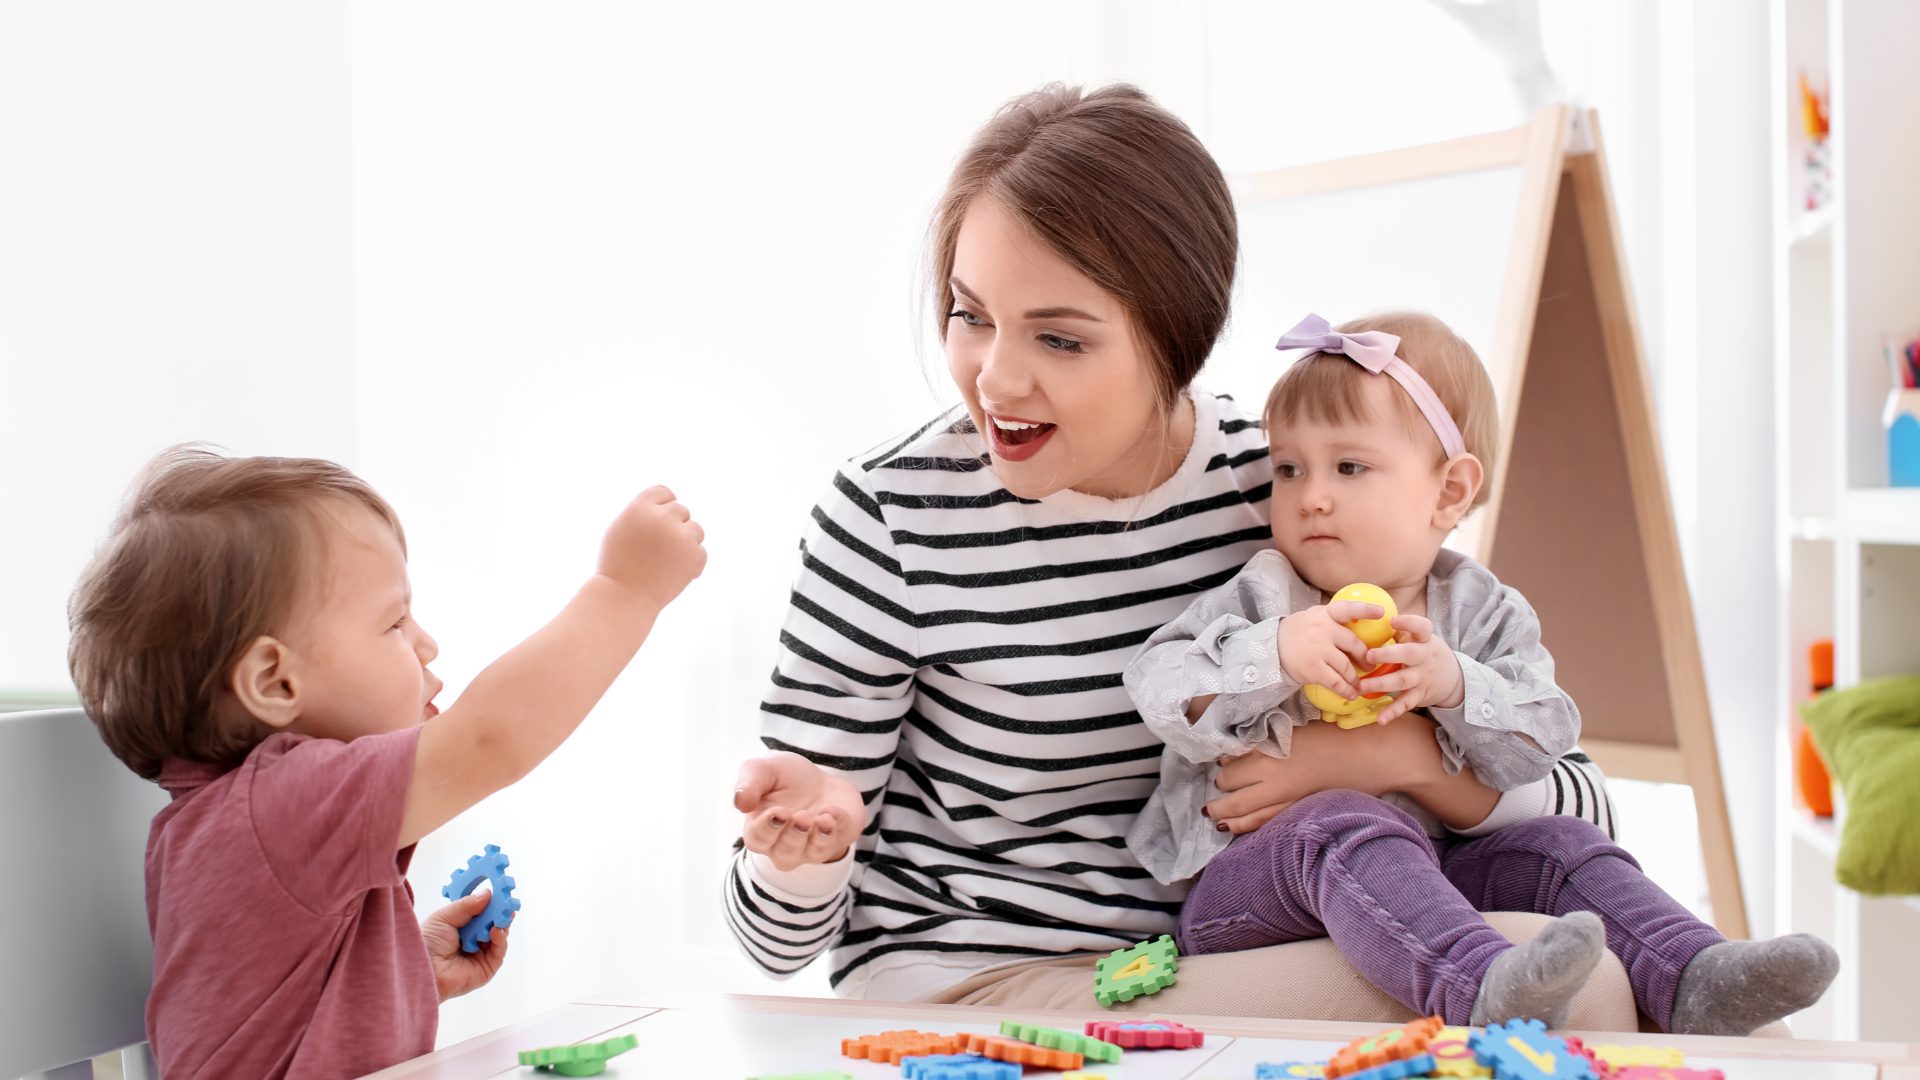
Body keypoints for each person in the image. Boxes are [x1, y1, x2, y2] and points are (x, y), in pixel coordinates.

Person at [721, 83, 1633, 1018]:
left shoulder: (1287, 491)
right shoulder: (890, 514)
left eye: (1060, 337)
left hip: (1194, 956)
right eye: (970, 314)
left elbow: (1583, 806)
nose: (995, 377)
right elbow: (774, 944)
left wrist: (1392, 761)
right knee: (1564, 993)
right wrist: (806, 852)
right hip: (972, 981)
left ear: (1178, 342)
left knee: (1586, 970)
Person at [1125, 311, 1839, 1035]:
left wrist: (1458, 686)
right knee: (1345, 824)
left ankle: (1694, 975)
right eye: (1288, 469)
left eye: (1349, 467)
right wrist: (1274, 651)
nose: (1310, 495)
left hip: (1434, 877)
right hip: (1252, 888)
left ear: (1450, 492)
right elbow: (1156, 684)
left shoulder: (1482, 611)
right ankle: (1479, 985)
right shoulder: (1267, 594)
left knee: (1565, 848)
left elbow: (1546, 740)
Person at [68, 447, 704, 1079]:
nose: (427, 642)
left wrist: (408, 968)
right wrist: (625, 589)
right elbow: (491, 738)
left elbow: (279, 1020)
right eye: (395, 621)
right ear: (275, 682)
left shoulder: (246, 826)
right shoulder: (278, 806)